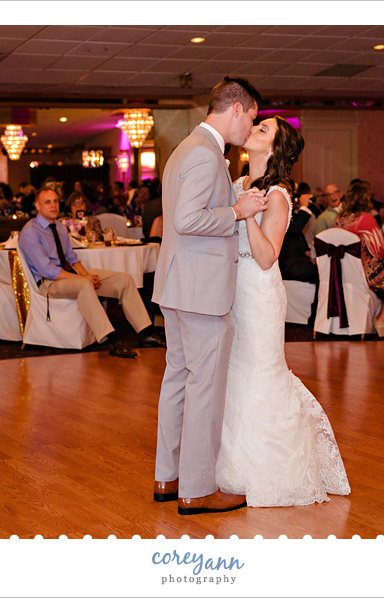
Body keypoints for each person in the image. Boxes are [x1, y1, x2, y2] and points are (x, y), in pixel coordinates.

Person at [215, 115, 351, 507]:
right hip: (232, 287)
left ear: (275, 149)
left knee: (260, 371)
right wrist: (237, 208)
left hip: (258, 292)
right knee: (233, 372)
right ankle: (230, 465)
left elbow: (266, 257)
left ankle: (273, 471)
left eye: (263, 130)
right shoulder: (238, 185)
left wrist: (248, 215)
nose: (253, 130)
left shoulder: (276, 195)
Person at [152, 75, 266, 516]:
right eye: (252, 116)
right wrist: (237, 211)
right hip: (200, 289)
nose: (250, 127)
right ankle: (197, 489)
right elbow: (187, 219)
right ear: (236, 109)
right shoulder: (204, 154)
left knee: (178, 381)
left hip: (180, 285)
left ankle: (169, 476)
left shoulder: (186, 148)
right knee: (204, 388)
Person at [19, 187, 165, 358]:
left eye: (55, 201)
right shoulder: (30, 232)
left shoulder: (59, 227)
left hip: (68, 277)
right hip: (48, 284)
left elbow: (71, 258)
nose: (53, 205)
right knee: (85, 284)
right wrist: (83, 278)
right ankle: (113, 340)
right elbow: (48, 271)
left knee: (123, 279)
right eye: (48, 202)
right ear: (37, 205)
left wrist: (84, 274)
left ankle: (145, 333)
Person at [334, 182, 384, 337]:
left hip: (342, 271)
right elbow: (378, 251)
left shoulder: (339, 220)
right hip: (366, 274)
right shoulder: (366, 218)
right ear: (365, 199)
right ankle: (383, 319)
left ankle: (381, 319)